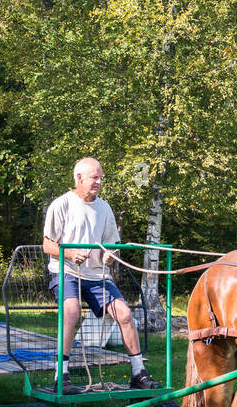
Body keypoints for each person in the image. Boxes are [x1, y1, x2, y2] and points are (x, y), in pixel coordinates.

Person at [42, 158, 161, 390]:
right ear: (78, 178)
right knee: (72, 311)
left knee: (125, 315)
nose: (98, 182)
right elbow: (47, 245)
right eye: (94, 177)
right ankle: (62, 375)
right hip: (66, 272)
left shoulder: (105, 208)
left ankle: (139, 372)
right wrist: (70, 253)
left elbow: (112, 244)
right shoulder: (62, 204)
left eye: (100, 178)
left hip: (98, 277)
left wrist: (110, 255)